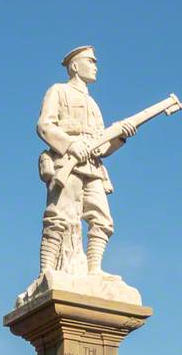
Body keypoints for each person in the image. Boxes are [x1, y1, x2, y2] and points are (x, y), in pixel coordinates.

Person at [36, 46, 136, 276]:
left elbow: (101, 146)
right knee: (57, 218)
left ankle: (94, 270)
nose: (95, 66)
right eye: (90, 61)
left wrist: (121, 136)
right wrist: (71, 145)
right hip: (67, 162)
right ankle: (47, 272)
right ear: (74, 66)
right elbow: (45, 126)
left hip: (93, 168)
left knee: (102, 220)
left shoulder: (93, 104)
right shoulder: (58, 91)